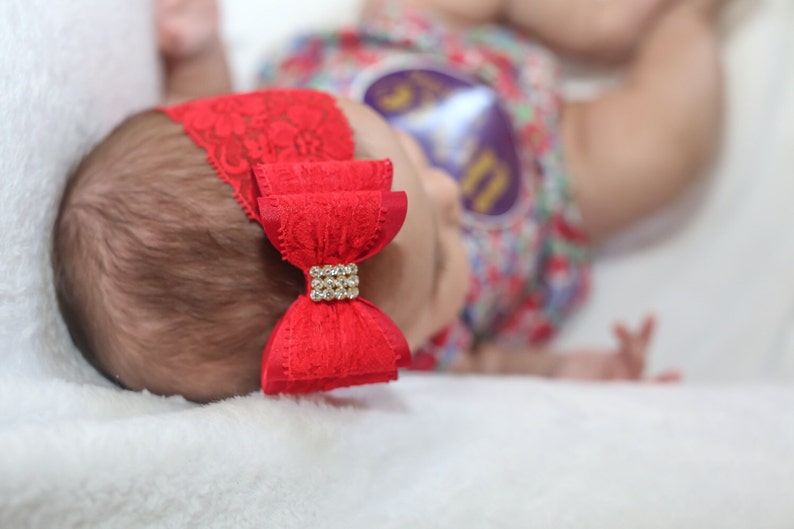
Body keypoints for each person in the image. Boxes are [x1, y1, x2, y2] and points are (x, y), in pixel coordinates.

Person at [52, 0, 722, 402]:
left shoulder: (242, 159)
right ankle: (683, 21)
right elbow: (496, 366)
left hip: (413, 41)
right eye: (437, 273)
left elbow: (199, 118)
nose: (447, 191)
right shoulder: (429, 356)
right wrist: (578, 370)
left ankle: (580, 16)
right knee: (660, 152)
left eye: (407, 156)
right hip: (560, 168)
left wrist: (194, 46)